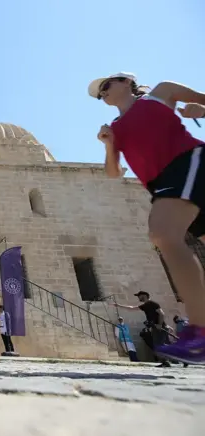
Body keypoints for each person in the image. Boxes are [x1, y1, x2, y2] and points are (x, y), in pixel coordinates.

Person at [90, 72, 205, 364]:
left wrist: (200, 110)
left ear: (126, 81)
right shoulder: (116, 127)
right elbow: (114, 173)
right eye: (99, 92)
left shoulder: (160, 93)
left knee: (163, 233)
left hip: (187, 163)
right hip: (162, 185)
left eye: (106, 85)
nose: (103, 92)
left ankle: (200, 332)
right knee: (167, 237)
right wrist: (108, 144)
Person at [112, 292, 170, 367]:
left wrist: (160, 324)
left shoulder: (152, 303)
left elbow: (162, 314)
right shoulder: (145, 306)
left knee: (159, 345)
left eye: (139, 296)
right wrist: (119, 305)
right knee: (158, 345)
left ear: (144, 296)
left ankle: (172, 358)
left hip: (160, 327)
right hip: (155, 327)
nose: (138, 298)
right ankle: (165, 361)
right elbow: (132, 308)